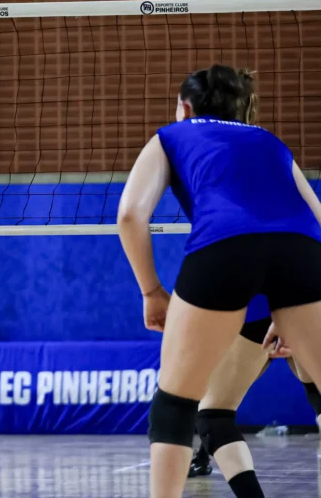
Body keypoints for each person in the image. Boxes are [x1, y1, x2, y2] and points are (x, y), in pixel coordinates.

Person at [117, 64, 321, 498]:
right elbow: (318, 220)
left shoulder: (170, 136)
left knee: (174, 403)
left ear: (184, 107)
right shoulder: (269, 141)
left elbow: (131, 215)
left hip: (224, 246)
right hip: (302, 250)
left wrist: (152, 290)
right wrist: (290, 310)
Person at [187, 300, 321, 491]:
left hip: (260, 310)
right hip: (306, 305)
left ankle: (200, 457)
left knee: (215, 412)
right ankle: (201, 455)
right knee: (318, 396)